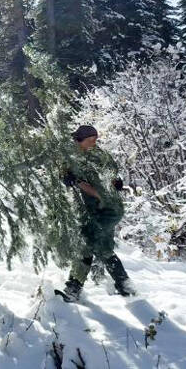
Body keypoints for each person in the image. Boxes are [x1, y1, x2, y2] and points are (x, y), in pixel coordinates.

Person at [58, 124, 134, 302]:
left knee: (86, 242)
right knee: (103, 248)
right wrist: (67, 178)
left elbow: (109, 179)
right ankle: (125, 286)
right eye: (90, 140)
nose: (94, 143)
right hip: (91, 211)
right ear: (79, 140)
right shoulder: (70, 157)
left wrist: (116, 181)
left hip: (109, 210)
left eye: (96, 139)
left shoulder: (100, 155)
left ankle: (74, 288)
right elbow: (63, 174)